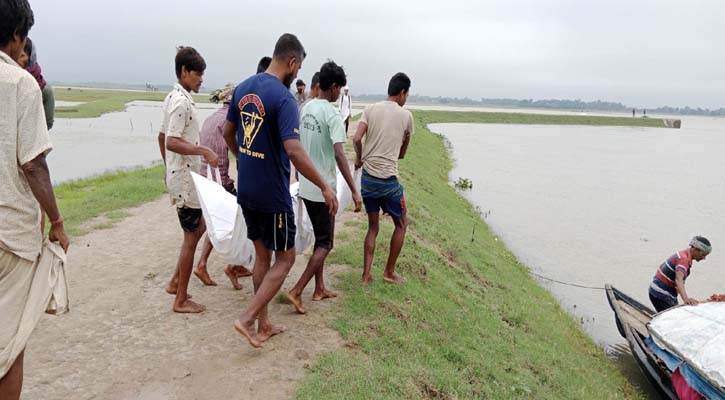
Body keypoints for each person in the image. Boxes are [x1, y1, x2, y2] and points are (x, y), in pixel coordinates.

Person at [223, 33, 338, 348]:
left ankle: (263, 324)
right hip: (272, 194)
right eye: (298, 68)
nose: (298, 75)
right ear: (292, 62)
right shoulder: (284, 98)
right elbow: (295, 150)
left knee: (263, 255)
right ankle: (247, 318)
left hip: (247, 188)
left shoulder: (244, 87)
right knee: (285, 257)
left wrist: (242, 158)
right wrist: (325, 186)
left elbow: (227, 131)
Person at [0, 1, 69, 398]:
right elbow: (33, 165)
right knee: (9, 345)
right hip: (9, 239)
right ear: (15, 36)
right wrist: (56, 221)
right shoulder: (21, 83)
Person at [287, 61, 362, 314]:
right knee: (326, 243)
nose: (340, 93)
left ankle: (319, 288)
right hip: (323, 188)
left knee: (320, 237)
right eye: (339, 88)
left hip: (306, 185)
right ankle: (297, 290)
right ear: (333, 87)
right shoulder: (332, 114)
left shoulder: (306, 108)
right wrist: (353, 189)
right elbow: (341, 156)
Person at [157, 46, 218, 313]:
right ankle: (180, 299)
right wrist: (202, 150)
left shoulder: (174, 97)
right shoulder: (180, 102)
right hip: (184, 180)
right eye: (197, 74)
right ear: (184, 71)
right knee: (191, 237)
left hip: (182, 175)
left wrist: (166, 166)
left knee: (201, 226)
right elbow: (170, 140)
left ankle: (174, 281)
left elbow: (162, 137)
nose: (201, 79)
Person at [353, 72, 413, 285]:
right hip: (389, 182)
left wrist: (359, 159)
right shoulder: (406, 116)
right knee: (401, 224)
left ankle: (366, 275)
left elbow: (357, 138)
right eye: (407, 95)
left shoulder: (370, 109)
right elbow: (402, 154)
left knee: (373, 227)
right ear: (403, 93)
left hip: (368, 179)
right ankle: (389, 272)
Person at [193, 84, 252, 289]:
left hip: (206, 178)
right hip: (219, 179)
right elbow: (239, 151)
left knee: (209, 224)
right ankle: (231, 265)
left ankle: (226, 264)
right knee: (238, 221)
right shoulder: (231, 121)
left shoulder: (210, 119)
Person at [648, 236, 711, 312]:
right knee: (672, 318)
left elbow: (677, 284)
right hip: (661, 293)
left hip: (655, 290)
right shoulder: (684, 259)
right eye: (703, 254)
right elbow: (679, 280)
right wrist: (686, 300)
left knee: (674, 312)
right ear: (695, 249)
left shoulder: (681, 254)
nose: (704, 258)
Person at [21, 38, 54, 130]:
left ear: (31, 58)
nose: (17, 59)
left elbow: (48, 123)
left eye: (22, 55)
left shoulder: (44, 90)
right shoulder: (8, 80)